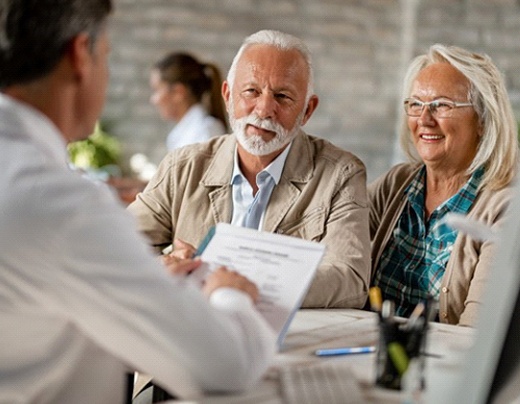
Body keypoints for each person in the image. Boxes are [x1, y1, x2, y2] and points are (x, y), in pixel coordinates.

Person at [0, 1, 276, 403]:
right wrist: (228, 292)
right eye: (107, 57)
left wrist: (141, 278)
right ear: (81, 54)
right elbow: (227, 364)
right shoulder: (63, 204)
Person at [128, 29, 371, 309]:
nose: (264, 109)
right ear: (228, 95)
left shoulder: (341, 175)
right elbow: (117, 247)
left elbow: (350, 280)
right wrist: (164, 265)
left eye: (282, 96)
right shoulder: (181, 167)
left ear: (307, 110)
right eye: (251, 91)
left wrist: (241, 284)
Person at [369, 44, 519, 326]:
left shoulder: (506, 208)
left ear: (483, 120)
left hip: (444, 364)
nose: (424, 120)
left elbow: (476, 333)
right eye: (416, 104)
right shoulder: (394, 185)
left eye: (441, 105)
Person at [150, 52, 228, 151]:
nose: (154, 100)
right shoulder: (186, 132)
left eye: (157, 90)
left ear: (178, 92)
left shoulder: (205, 131)